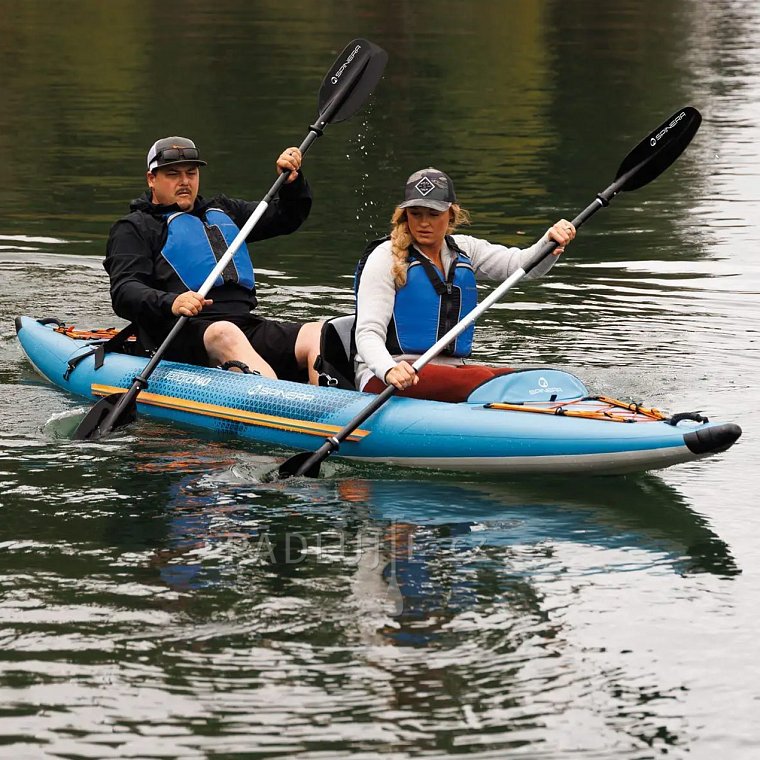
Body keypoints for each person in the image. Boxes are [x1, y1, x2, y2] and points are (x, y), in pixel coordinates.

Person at [103, 135, 322, 383]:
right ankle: (278, 405)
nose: (185, 181)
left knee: (317, 334)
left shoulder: (224, 210)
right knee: (225, 333)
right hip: (177, 333)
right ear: (151, 179)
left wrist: (292, 184)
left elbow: (287, 217)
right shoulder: (135, 227)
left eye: (191, 173)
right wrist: (172, 302)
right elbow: (124, 292)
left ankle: (332, 412)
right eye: (173, 174)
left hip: (244, 325)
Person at [353, 167, 577, 402]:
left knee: (511, 378)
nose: (423, 223)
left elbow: (522, 267)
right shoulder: (385, 257)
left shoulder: (464, 250)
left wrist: (549, 244)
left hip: (451, 372)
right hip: (389, 376)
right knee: (482, 377)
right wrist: (388, 369)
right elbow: (368, 333)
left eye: (433, 213)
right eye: (416, 213)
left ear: (450, 213)